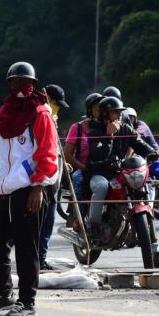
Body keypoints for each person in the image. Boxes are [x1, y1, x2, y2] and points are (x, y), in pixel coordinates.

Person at [0, 62, 59, 316]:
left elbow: (47, 153)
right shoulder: (0, 116)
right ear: (9, 84)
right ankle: (4, 294)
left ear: (33, 85)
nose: (21, 87)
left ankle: (27, 302)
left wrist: (38, 186)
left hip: (28, 189)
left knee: (26, 247)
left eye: (26, 82)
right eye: (15, 82)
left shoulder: (40, 113)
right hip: (1, 190)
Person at [85, 97, 159, 256]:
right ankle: (93, 226)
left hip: (119, 172)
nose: (120, 114)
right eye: (115, 112)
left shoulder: (126, 128)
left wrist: (153, 152)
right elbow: (97, 153)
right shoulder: (95, 130)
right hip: (99, 172)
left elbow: (140, 144)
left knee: (142, 187)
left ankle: (153, 247)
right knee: (102, 187)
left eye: (120, 111)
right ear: (106, 114)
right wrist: (108, 136)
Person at [38, 84, 69, 271]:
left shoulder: (52, 117)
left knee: (48, 221)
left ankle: (41, 259)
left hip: (53, 179)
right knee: (35, 223)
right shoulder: (40, 116)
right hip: (42, 180)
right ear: (47, 98)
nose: (57, 107)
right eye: (55, 103)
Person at [63, 93, 103, 221]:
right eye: (97, 109)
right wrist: (83, 167)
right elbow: (67, 155)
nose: (100, 112)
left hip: (103, 168)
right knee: (77, 178)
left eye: (103, 109)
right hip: (83, 168)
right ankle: (78, 218)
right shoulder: (77, 128)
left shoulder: (109, 126)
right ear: (89, 110)